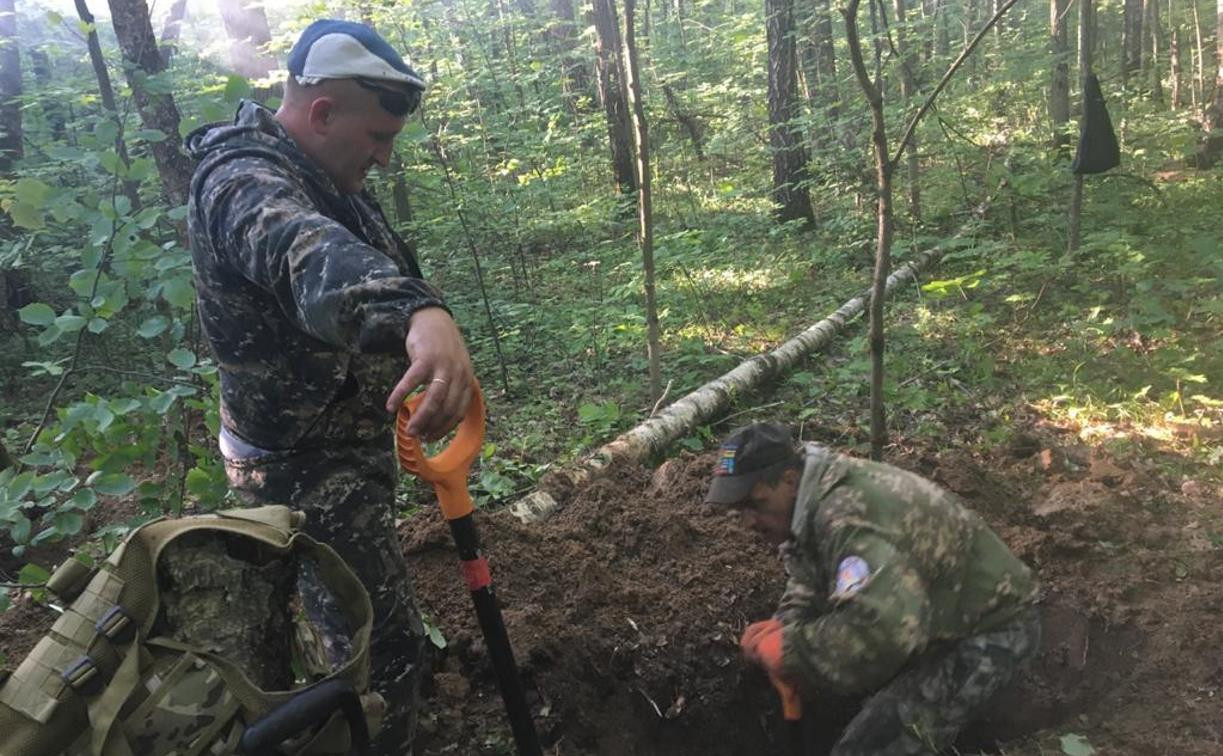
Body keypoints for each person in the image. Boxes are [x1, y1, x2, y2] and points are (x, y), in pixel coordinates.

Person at [186, 19, 474, 755]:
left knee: (332, 637)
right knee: (384, 652)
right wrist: (416, 310)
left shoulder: (327, 172)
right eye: (377, 137)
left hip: (341, 441)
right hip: (297, 460)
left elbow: (360, 261)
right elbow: (303, 252)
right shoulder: (241, 179)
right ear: (322, 113)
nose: (383, 156)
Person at [707, 422, 1040, 755]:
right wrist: (787, 623)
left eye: (755, 505)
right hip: (931, 617)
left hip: (993, 630)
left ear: (789, 481)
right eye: (739, 511)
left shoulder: (845, 514)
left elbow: (884, 632)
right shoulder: (815, 498)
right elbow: (813, 573)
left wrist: (791, 651)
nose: (747, 522)